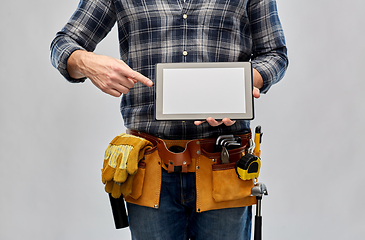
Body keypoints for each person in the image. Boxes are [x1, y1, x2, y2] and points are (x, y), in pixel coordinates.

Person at [50, 0, 288, 239]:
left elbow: (275, 54)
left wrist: (240, 85)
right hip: (150, 167)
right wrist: (86, 62)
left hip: (224, 164)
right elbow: (63, 44)